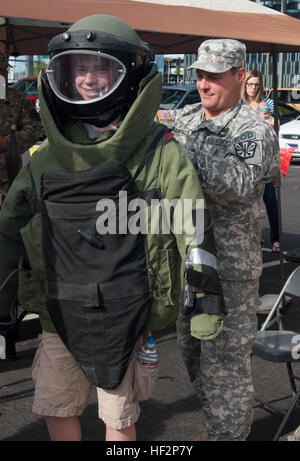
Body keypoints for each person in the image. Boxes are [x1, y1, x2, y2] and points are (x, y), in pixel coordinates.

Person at [0, 15, 224, 441]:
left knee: (119, 417)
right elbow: (9, 229)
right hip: (56, 311)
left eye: (100, 67)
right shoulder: (46, 156)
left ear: (129, 72)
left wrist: (205, 304)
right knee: (56, 402)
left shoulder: (160, 153)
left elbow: (193, 224)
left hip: (128, 315)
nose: (87, 79)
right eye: (77, 68)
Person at [157, 39, 280, 440]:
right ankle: (218, 426)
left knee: (225, 366)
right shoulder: (186, 117)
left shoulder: (253, 129)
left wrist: (181, 151)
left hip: (229, 270)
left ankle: (227, 433)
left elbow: (241, 183)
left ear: (239, 76)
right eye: (200, 75)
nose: (204, 84)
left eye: (214, 76)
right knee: (192, 353)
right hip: (189, 262)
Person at [241, 69, 280, 252]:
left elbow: (274, 126)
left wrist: (271, 123)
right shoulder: (239, 105)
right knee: (249, 201)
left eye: (256, 84)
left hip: (265, 157)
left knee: (270, 199)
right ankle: (255, 235)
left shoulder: (267, 103)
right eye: (250, 83)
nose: (253, 87)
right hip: (246, 158)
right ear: (245, 84)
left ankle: (276, 238)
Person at [0, 52, 42, 205]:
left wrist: (8, 141)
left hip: (9, 178)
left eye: (3, 71)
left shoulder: (18, 99)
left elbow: (36, 127)